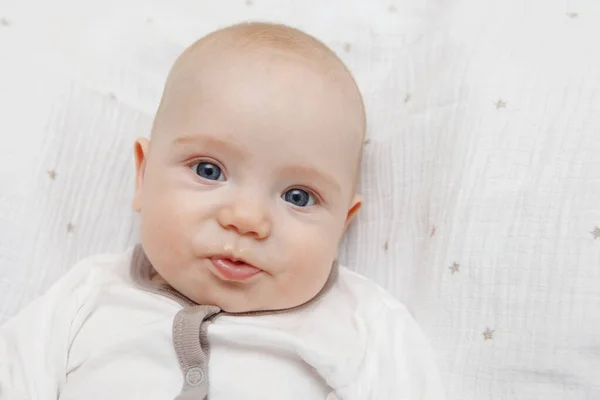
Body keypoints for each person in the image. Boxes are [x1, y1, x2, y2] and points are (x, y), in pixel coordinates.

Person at [0, 22, 445, 399]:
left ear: (342, 227)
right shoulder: (84, 298)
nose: (247, 219)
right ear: (143, 175)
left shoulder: (363, 325)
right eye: (209, 170)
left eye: (298, 197)